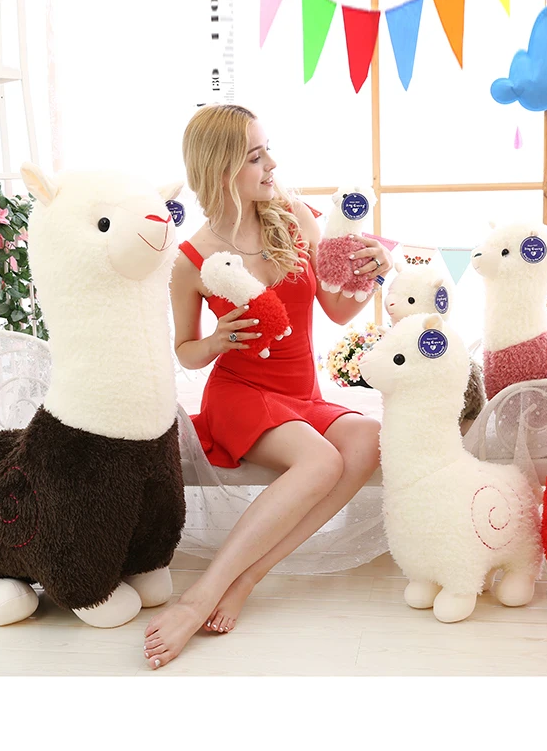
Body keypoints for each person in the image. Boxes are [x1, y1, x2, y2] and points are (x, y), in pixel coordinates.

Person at [143, 104, 393, 668]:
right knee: (321, 462)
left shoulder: (296, 218)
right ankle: (201, 596)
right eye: (256, 157)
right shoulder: (191, 259)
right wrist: (216, 341)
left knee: (366, 439)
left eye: (267, 150)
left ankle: (247, 576)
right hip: (240, 393)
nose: (272, 165)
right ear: (221, 169)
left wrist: (371, 274)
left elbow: (336, 310)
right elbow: (185, 350)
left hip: (302, 393)